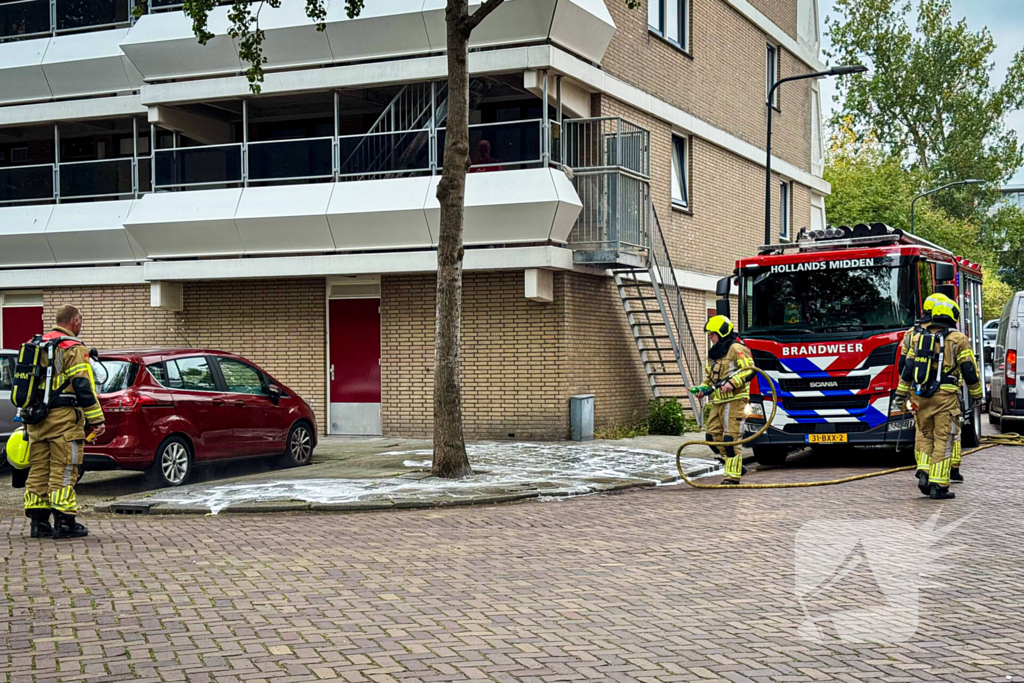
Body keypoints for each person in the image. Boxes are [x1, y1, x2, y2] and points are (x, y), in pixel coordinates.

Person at [24, 305, 105, 539]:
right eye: (81, 321)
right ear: (75, 320)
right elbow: (83, 386)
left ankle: (38, 523)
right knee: (65, 468)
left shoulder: (35, 343)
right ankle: (65, 521)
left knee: (39, 468)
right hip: (63, 420)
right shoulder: (73, 348)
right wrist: (96, 417)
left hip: (36, 420)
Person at [896, 298, 982, 499]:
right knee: (944, 438)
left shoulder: (917, 338)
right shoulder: (959, 339)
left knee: (926, 435)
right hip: (945, 397)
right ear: (952, 317)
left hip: (921, 395)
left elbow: (906, 368)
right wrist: (977, 395)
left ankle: (924, 473)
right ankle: (939, 485)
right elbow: (969, 370)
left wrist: (901, 395)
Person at [690, 315, 755, 485]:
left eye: (712, 333)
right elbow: (711, 378)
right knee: (712, 437)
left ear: (722, 332)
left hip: (735, 400)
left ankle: (732, 476)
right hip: (718, 401)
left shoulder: (736, 348)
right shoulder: (715, 353)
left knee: (730, 439)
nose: (710, 337)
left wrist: (733, 383)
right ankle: (736, 464)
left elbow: (749, 370)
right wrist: (702, 389)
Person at [897, 292, 950, 478]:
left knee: (922, 430)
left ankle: (923, 467)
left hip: (916, 388)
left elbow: (904, 365)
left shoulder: (911, 334)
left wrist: (904, 390)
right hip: (944, 391)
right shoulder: (950, 334)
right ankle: (941, 474)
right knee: (943, 433)